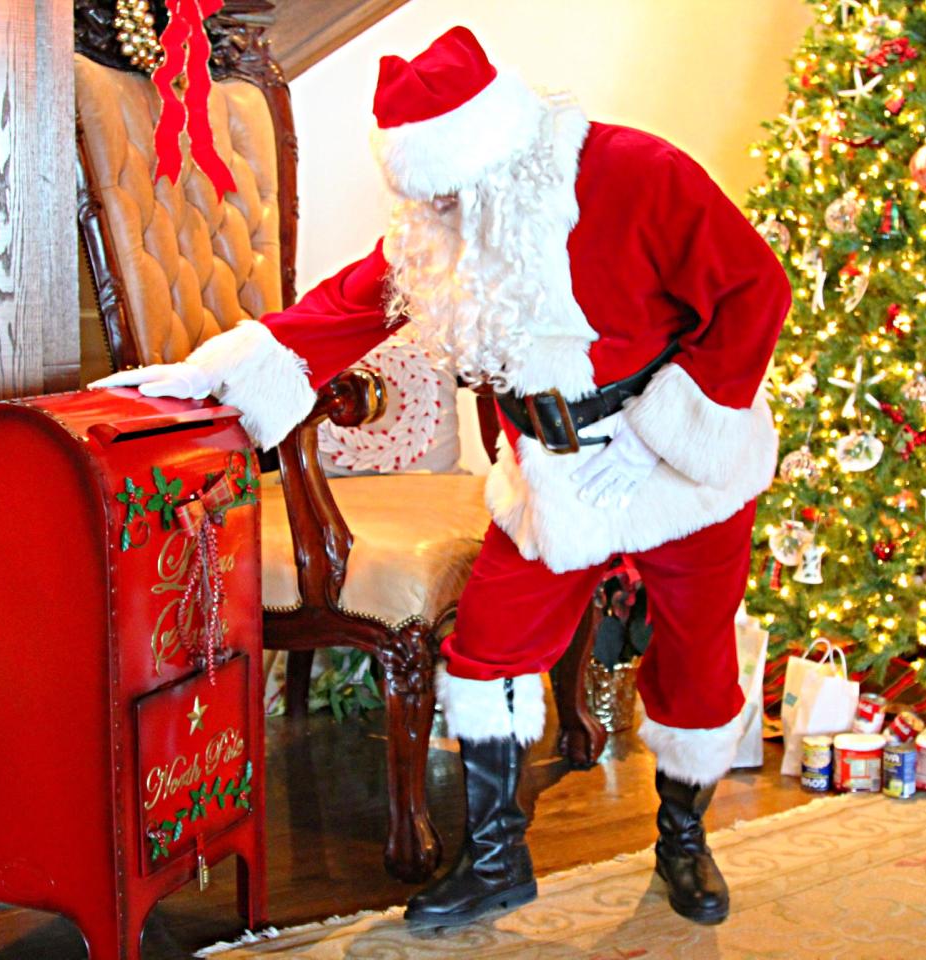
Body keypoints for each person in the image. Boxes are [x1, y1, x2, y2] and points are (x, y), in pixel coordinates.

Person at [93, 25, 790, 928]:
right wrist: (210, 370)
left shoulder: (635, 172)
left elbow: (754, 291)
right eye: (429, 199)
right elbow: (346, 309)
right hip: (556, 477)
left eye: (454, 194)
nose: (441, 216)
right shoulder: (442, 221)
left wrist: (664, 436)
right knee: (491, 644)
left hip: (682, 467)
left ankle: (684, 844)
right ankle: (495, 858)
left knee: (696, 658)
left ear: (498, 149)